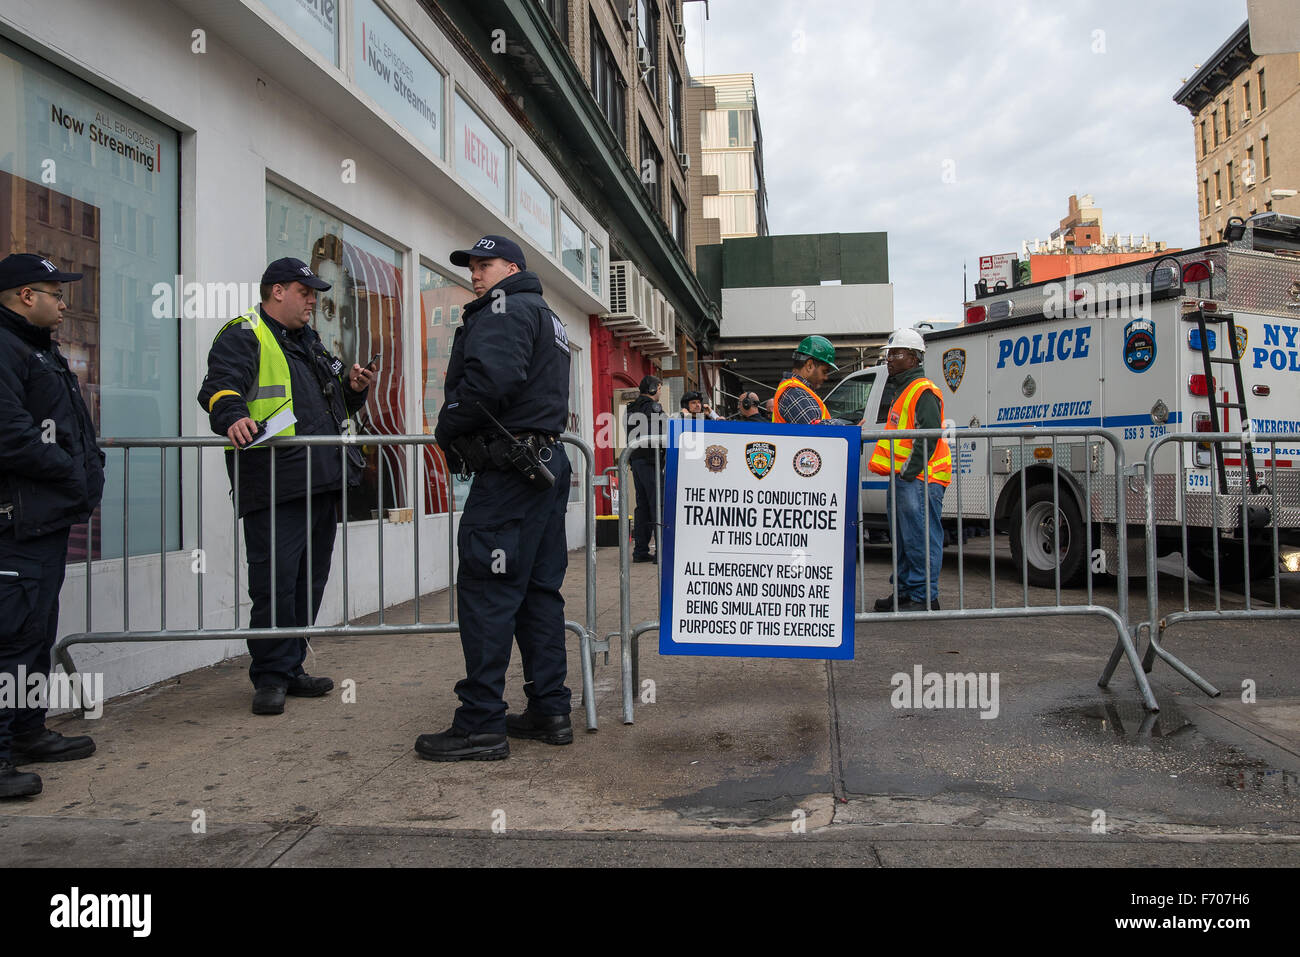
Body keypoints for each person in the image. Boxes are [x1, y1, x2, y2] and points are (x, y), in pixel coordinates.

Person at [198, 257, 375, 716]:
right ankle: (270, 677)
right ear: (277, 291)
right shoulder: (244, 333)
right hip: (275, 483)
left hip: (321, 481)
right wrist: (232, 415)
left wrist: (354, 387)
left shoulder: (309, 341)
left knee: (307, 583)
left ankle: (292, 666)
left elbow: (334, 398)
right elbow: (218, 387)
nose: (313, 300)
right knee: (274, 584)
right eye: (305, 291)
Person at [419, 235, 572, 761]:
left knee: (487, 592)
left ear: (513, 267)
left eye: (485, 265)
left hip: (512, 473)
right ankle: (550, 709)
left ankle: (481, 723)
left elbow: (488, 383)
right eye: (471, 266)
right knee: (537, 593)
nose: (475, 274)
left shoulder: (505, 309)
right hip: (543, 465)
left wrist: (446, 426)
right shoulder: (546, 315)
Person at [0, 253, 103, 798]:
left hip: (42, 521)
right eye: (54, 293)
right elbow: (12, 436)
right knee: (9, 638)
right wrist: (71, 473)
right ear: (24, 296)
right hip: (16, 524)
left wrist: (85, 472)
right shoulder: (6, 348)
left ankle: (27, 730)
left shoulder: (37, 350)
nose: (63, 303)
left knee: (35, 633)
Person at [868, 328, 951, 612]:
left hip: (919, 479)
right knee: (903, 539)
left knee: (920, 538)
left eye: (896, 353)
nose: (889, 359)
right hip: (906, 478)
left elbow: (929, 435)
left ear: (914, 359)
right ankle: (904, 591)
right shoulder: (903, 390)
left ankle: (924, 596)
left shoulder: (923, 390)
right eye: (889, 353)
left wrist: (908, 471)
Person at [625, 375, 665, 564]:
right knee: (657, 505)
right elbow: (664, 431)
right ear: (652, 389)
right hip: (651, 462)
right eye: (659, 388)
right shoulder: (653, 408)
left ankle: (640, 551)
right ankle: (661, 553)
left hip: (636, 461)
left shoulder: (631, 408)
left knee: (642, 508)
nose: (660, 392)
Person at [773, 335, 850, 425]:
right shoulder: (795, 392)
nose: (826, 377)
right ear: (809, 365)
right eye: (824, 371)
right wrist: (846, 428)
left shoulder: (798, 391)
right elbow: (814, 431)